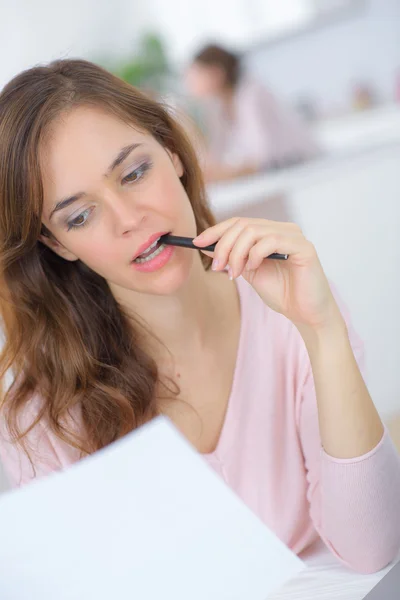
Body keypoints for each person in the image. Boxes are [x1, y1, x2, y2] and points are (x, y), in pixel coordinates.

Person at [0, 59, 399, 576]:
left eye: (135, 172)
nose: (129, 220)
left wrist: (323, 335)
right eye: (80, 215)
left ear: (173, 153)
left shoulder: (290, 314)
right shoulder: (39, 419)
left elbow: (373, 547)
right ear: (58, 244)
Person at [185, 44, 320, 182]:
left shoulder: (252, 94)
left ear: (216, 73)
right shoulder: (217, 106)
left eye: (196, 76)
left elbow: (262, 158)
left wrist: (225, 173)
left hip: (304, 168)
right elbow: (217, 154)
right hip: (277, 175)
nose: (190, 84)